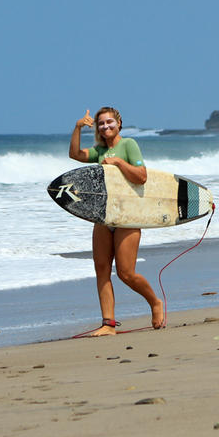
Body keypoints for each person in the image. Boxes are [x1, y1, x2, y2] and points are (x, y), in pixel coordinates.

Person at [69, 107, 165, 336]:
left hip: (127, 216)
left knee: (125, 273)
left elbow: (142, 176)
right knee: (101, 270)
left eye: (109, 122)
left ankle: (155, 302)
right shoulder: (99, 150)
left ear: (119, 123)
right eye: (101, 124)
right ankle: (108, 324)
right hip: (104, 216)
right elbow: (75, 155)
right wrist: (78, 127)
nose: (105, 127)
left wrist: (119, 163)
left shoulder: (129, 145)